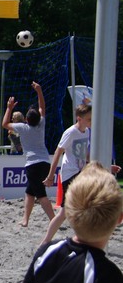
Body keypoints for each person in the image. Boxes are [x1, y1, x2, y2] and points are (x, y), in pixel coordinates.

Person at [3, 82, 55, 227]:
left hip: (32, 164)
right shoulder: (41, 124)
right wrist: (39, 91)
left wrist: (9, 108)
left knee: (41, 195)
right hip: (45, 162)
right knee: (29, 192)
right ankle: (25, 219)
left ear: (26, 119)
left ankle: (54, 220)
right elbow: (42, 108)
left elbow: (4, 124)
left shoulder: (22, 128)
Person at [41, 103, 92, 244]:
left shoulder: (86, 132)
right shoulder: (70, 132)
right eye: (89, 119)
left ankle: (83, 239)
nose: (91, 122)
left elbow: (85, 155)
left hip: (80, 173)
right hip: (70, 174)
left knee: (84, 206)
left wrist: (104, 165)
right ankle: (45, 242)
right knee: (64, 212)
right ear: (79, 119)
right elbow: (58, 152)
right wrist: (50, 176)